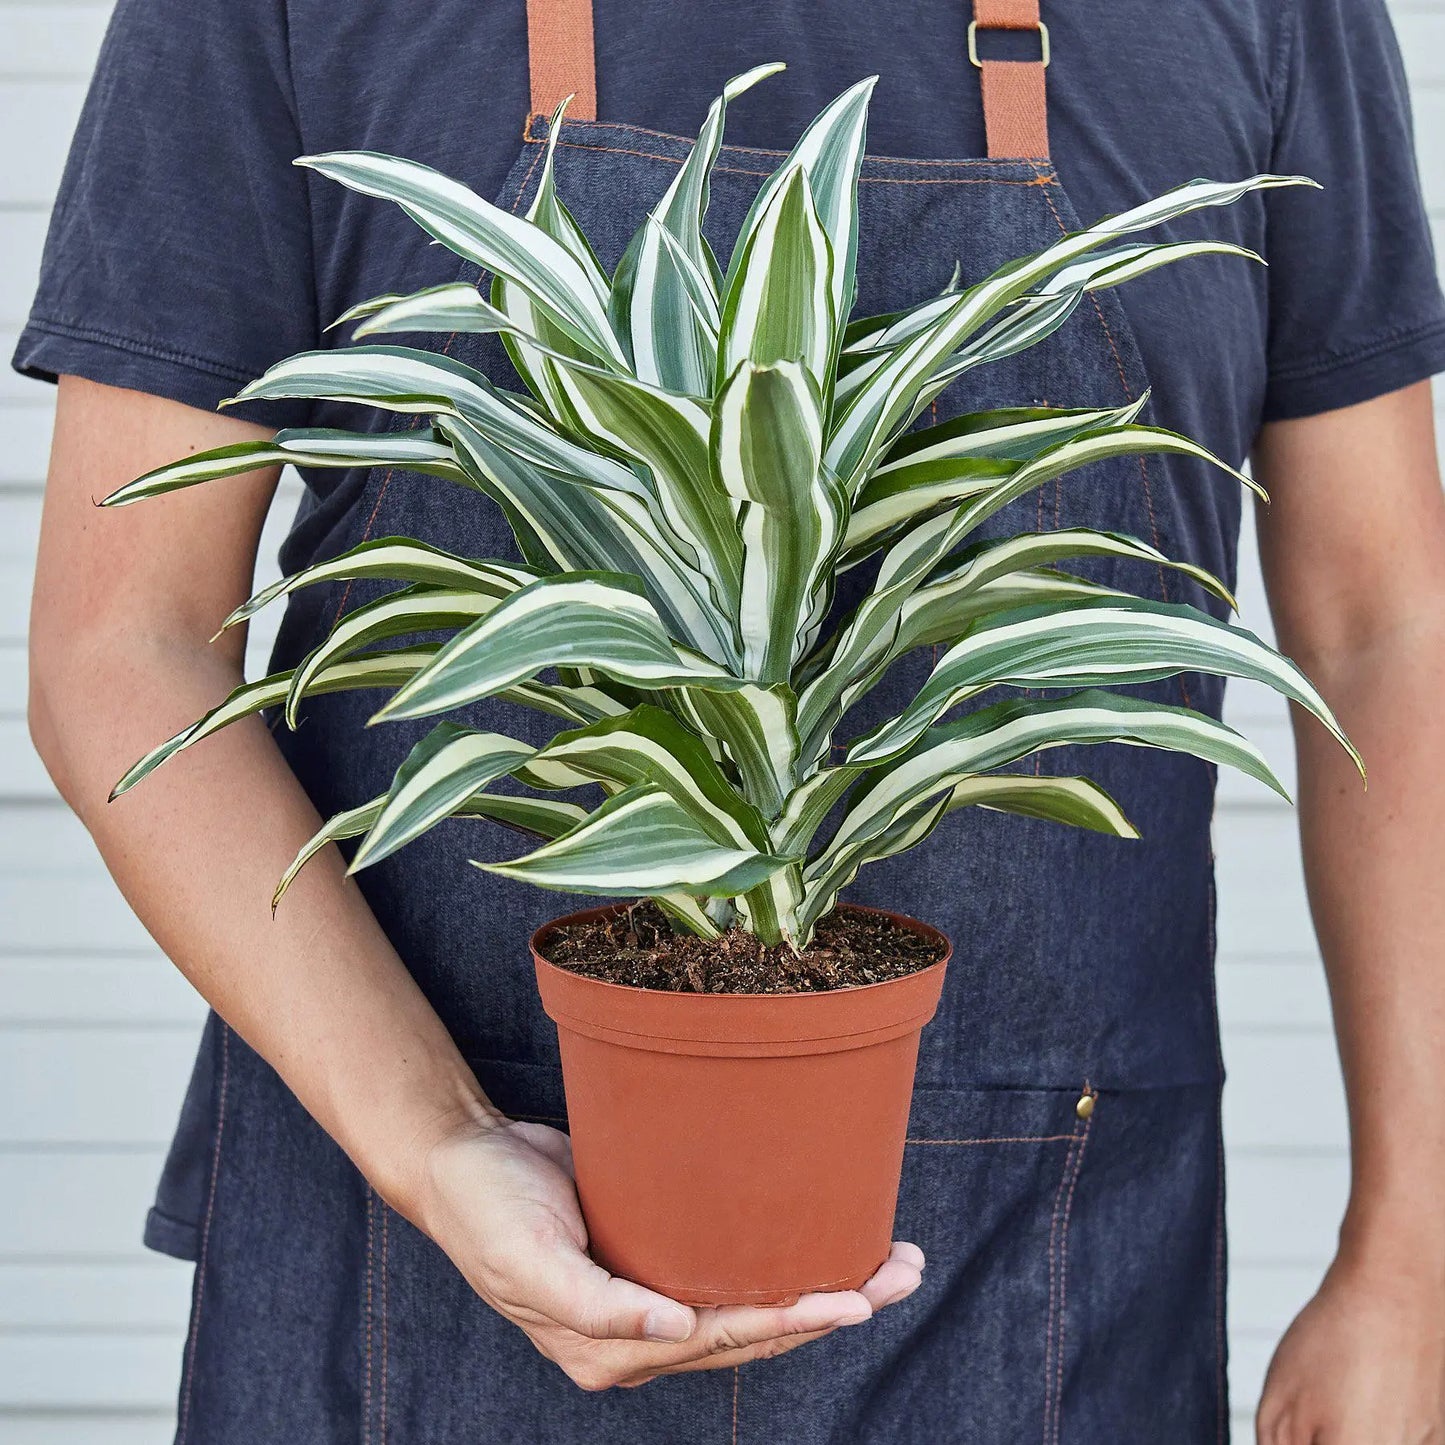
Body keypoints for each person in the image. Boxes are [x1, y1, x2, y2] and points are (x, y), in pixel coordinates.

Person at [18, 0, 1445, 1439]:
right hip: (424, 1252)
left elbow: (1388, 626)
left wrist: (1411, 1259)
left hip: (1046, 1273)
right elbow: (122, 642)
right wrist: (434, 1137)